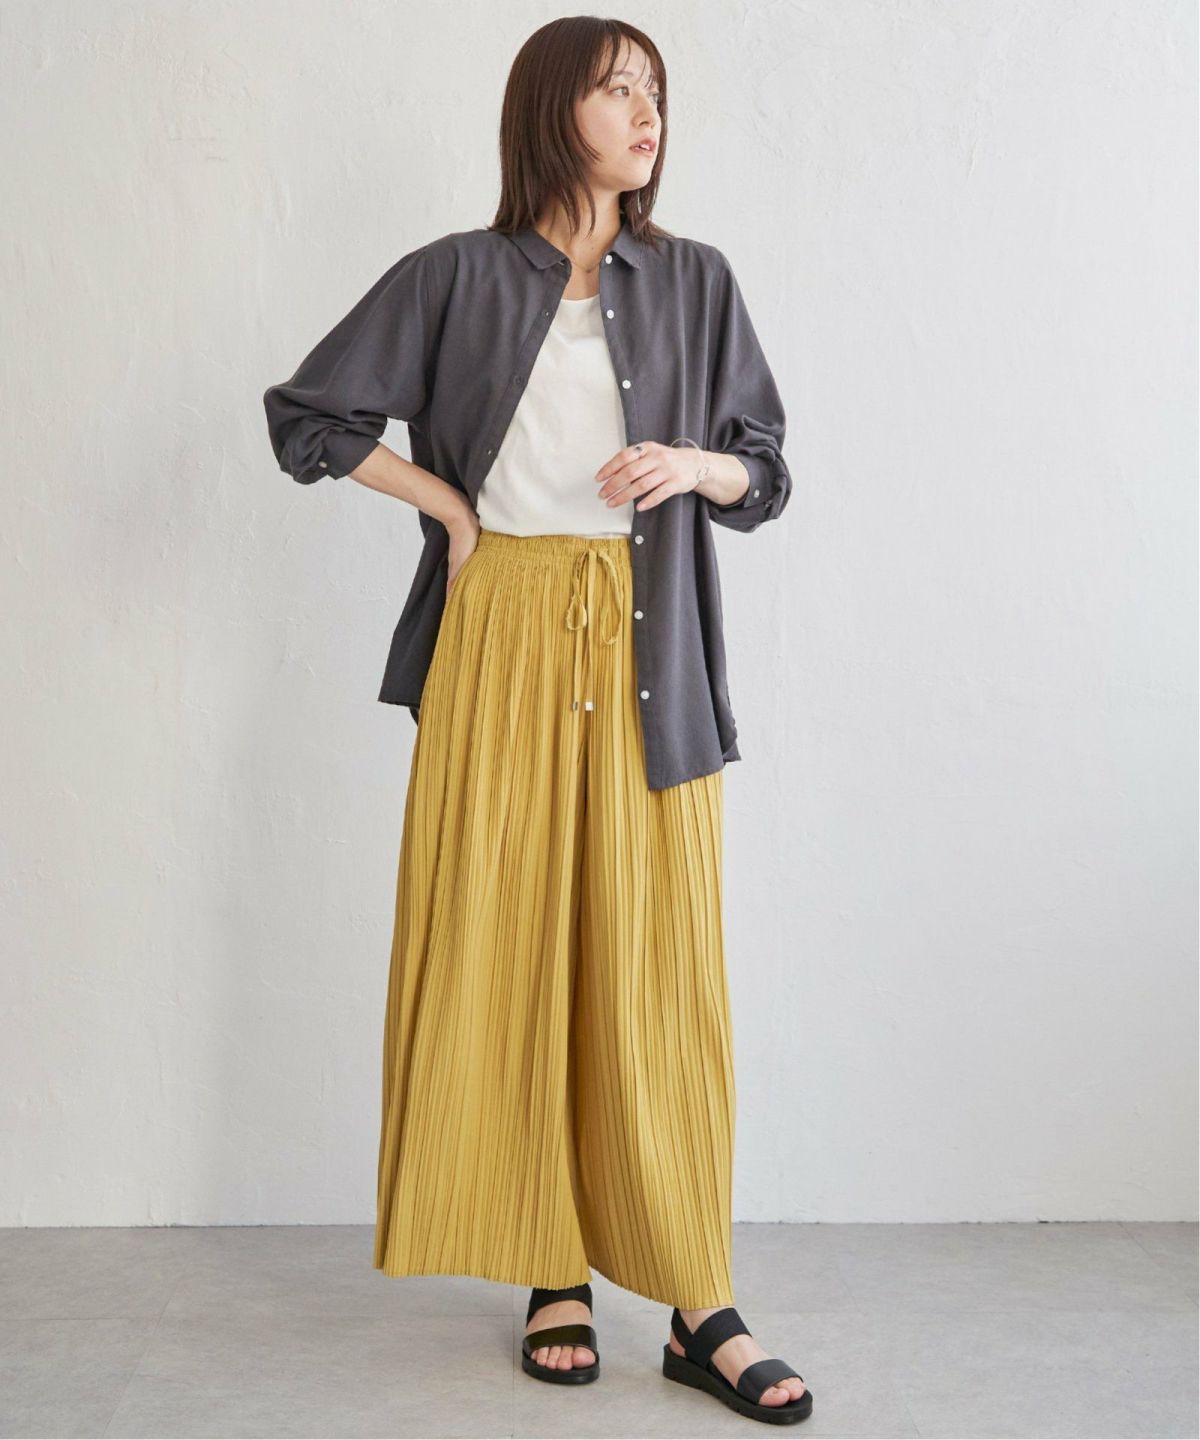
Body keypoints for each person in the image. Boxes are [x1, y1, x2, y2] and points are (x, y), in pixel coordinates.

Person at [263, 15, 811, 1427]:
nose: (647, 113)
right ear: (551, 109)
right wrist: (449, 508)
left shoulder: (696, 280)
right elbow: (310, 417)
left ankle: (699, 1301)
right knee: (508, 948)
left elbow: (767, 473)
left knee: (655, 966)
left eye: (656, 91)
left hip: (646, 640)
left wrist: (692, 465)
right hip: (498, 628)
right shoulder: (456, 274)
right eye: (618, 88)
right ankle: (548, 1268)